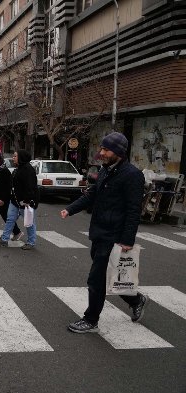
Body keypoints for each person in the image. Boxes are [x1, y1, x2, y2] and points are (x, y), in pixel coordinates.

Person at [60, 131, 147, 333]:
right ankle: (136, 300)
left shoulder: (132, 175)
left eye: (106, 149)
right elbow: (91, 195)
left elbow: (134, 210)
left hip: (114, 235)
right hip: (99, 232)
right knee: (110, 277)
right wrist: (70, 209)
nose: (102, 152)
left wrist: (127, 240)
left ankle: (91, 320)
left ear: (118, 152)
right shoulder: (106, 170)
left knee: (96, 278)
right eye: (102, 148)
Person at [0, 150, 39, 250]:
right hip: (15, 201)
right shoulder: (18, 168)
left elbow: (31, 187)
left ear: (21, 157)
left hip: (25, 202)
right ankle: (4, 239)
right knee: (10, 219)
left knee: (29, 222)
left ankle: (31, 242)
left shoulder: (28, 170)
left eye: (15, 156)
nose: (13, 158)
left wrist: (27, 200)